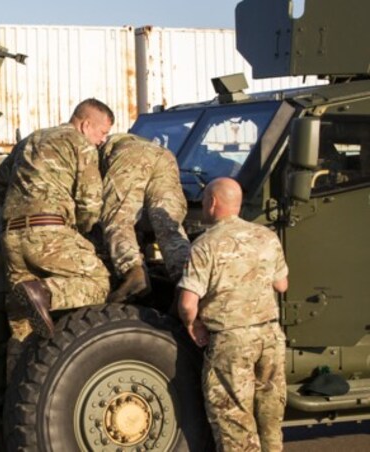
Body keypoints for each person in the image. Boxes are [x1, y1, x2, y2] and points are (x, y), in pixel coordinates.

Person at [177, 177, 288, 452]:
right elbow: (282, 284)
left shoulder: (205, 245)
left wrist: (193, 325)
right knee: (270, 419)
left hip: (231, 342)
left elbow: (188, 303)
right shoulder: (267, 237)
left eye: (204, 201)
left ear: (213, 203)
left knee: (234, 423)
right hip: (270, 337)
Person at [1, 98, 114, 344]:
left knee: (22, 325)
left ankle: (19, 373)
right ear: (85, 125)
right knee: (99, 281)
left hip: (11, 236)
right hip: (48, 232)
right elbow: (90, 203)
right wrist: (84, 231)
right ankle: (44, 292)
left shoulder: (30, 139)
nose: (103, 139)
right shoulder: (82, 145)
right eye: (103, 132)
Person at [100, 133, 190, 303]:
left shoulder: (95, 149)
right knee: (169, 226)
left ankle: (133, 272)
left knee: (118, 218)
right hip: (164, 155)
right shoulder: (142, 142)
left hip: (130, 154)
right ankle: (185, 278)